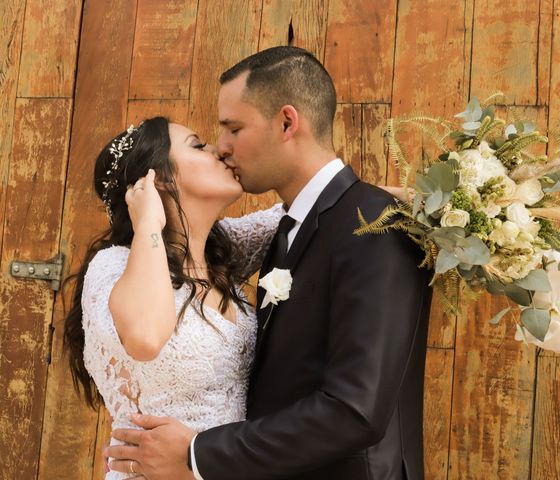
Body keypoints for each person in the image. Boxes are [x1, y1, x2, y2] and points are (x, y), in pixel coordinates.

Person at [105, 46, 431, 480]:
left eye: (233, 128)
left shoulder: (371, 223)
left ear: (287, 122)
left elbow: (356, 409)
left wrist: (198, 454)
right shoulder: (291, 228)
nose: (222, 147)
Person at [63, 117, 287, 480]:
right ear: (158, 179)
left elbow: (315, 207)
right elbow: (146, 337)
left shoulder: (221, 252)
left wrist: (408, 200)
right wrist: (149, 224)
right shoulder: (114, 264)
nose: (219, 151)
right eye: (198, 146)